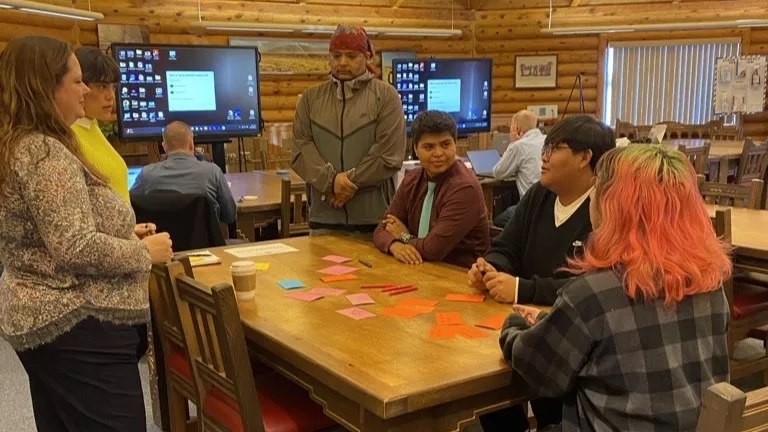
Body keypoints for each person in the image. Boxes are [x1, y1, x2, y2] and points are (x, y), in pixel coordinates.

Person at [0, 35, 173, 432]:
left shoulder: (21, 145)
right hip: (77, 325)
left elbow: (49, 229)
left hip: (47, 323)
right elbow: (73, 245)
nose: (86, 91)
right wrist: (145, 253)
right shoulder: (45, 153)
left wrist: (121, 230)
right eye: (77, 81)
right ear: (46, 87)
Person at [502, 144, 731, 431]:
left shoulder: (593, 293)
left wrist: (513, 326)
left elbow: (540, 370)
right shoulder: (711, 285)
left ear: (613, 205)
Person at [468, 115, 615, 431]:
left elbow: (589, 284)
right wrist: (490, 268)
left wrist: (521, 289)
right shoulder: (539, 195)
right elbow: (507, 246)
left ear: (584, 157)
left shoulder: (605, 209)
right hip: (526, 323)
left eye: (554, 148)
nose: (543, 157)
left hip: (572, 336)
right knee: (489, 392)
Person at [73, 45, 157, 359]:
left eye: (113, 87)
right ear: (81, 87)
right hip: (101, 275)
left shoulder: (93, 128)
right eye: (101, 86)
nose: (110, 96)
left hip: (121, 254)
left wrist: (129, 229)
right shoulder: (70, 135)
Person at [292, 24, 406, 234]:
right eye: (336, 55)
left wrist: (348, 183)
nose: (342, 62)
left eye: (351, 56)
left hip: (375, 224)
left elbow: (388, 156)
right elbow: (301, 150)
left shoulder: (387, 97)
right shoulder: (310, 99)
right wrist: (331, 182)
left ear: (367, 57)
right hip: (323, 222)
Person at [372, 111, 489, 268]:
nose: (438, 153)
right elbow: (381, 230)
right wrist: (395, 245)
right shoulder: (411, 179)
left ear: (455, 144)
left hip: (458, 276)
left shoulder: (465, 188)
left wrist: (403, 236)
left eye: (445, 144)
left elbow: (432, 250)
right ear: (416, 148)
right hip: (419, 270)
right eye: (429, 147)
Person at [131, 121, 237, 224]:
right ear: (191, 143)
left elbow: (130, 210)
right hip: (206, 242)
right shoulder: (213, 172)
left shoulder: (147, 175)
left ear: (164, 147)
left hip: (162, 240)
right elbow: (230, 216)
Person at [491, 110, 546, 228]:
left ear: (517, 127)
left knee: (498, 221)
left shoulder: (520, 146)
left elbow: (498, 173)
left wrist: (512, 143)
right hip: (547, 206)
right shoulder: (547, 140)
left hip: (529, 208)